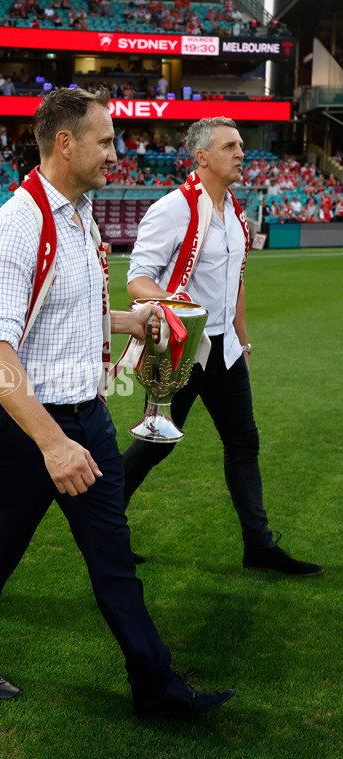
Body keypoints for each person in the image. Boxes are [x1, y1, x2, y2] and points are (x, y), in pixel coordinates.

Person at [0, 88, 235, 719]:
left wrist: (134, 319)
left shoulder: (79, 213)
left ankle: (156, 689)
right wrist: (53, 444)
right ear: (65, 143)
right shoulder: (12, 229)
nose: (116, 151)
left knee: (113, 560)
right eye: (105, 140)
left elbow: (67, 313)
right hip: (29, 430)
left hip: (88, 416)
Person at [123, 116, 323, 578]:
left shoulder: (234, 210)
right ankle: (104, 525)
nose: (241, 153)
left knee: (243, 443)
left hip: (227, 350)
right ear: (201, 157)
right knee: (156, 446)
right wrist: (180, 311)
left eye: (240, 145)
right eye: (230, 146)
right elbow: (137, 280)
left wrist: (244, 340)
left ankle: (259, 547)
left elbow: (236, 283)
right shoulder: (173, 208)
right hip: (184, 350)